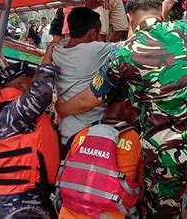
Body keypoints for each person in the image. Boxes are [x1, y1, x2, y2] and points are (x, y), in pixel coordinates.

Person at [56, 0, 187, 217]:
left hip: (164, 155)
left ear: (130, 17)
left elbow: (87, 100)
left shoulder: (122, 55)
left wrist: (61, 108)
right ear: (161, 12)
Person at [0, 44, 60, 218]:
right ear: (19, 83)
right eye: (30, 79)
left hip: (16, 199)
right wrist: (47, 59)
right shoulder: (12, 111)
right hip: (17, 202)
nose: (33, 82)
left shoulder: (6, 110)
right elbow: (42, 93)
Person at [58, 89, 143, 219]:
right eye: (137, 109)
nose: (137, 116)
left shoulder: (81, 135)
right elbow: (142, 192)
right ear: (126, 104)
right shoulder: (137, 141)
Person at [52, 7, 115, 152]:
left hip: (65, 130)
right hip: (86, 134)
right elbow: (132, 46)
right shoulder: (96, 50)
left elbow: (59, 43)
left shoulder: (58, 49)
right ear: (93, 33)